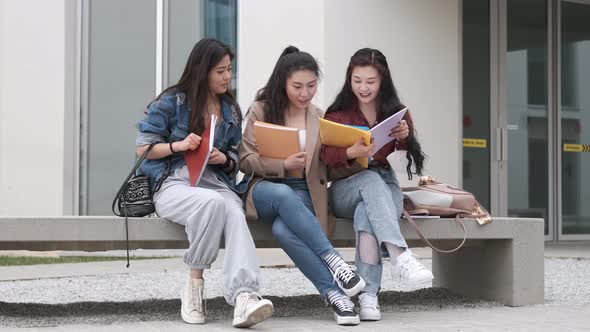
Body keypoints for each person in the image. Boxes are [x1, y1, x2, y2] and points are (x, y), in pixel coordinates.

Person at [135, 38, 272, 328]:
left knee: (234, 212)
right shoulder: (172, 101)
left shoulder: (231, 109)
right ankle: (194, 286)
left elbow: (236, 155)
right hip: (173, 182)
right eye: (220, 71)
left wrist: (224, 159)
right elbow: (144, 148)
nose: (227, 77)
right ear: (203, 70)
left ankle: (245, 296)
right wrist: (180, 145)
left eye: (229, 70)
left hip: (214, 181)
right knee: (212, 204)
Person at [239, 46, 364, 326]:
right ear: (283, 82)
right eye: (297, 86)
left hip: (304, 191)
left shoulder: (320, 117)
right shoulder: (261, 110)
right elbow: (245, 160)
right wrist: (282, 165)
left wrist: (352, 156)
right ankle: (334, 261)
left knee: (284, 230)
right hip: (264, 188)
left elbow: (326, 168)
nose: (304, 93)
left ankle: (334, 295)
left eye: (311, 86)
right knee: (282, 193)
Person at [321, 48, 433, 321]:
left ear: (382, 80)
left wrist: (405, 137)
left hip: (383, 184)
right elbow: (323, 157)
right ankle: (400, 256)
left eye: (370, 81)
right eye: (357, 80)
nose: (363, 87)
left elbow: (408, 152)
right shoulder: (338, 113)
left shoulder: (393, 111)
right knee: (368, 181)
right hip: (345, 185)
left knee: (367, 215)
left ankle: (368, 296)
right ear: (350, 79)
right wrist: (350, 153)